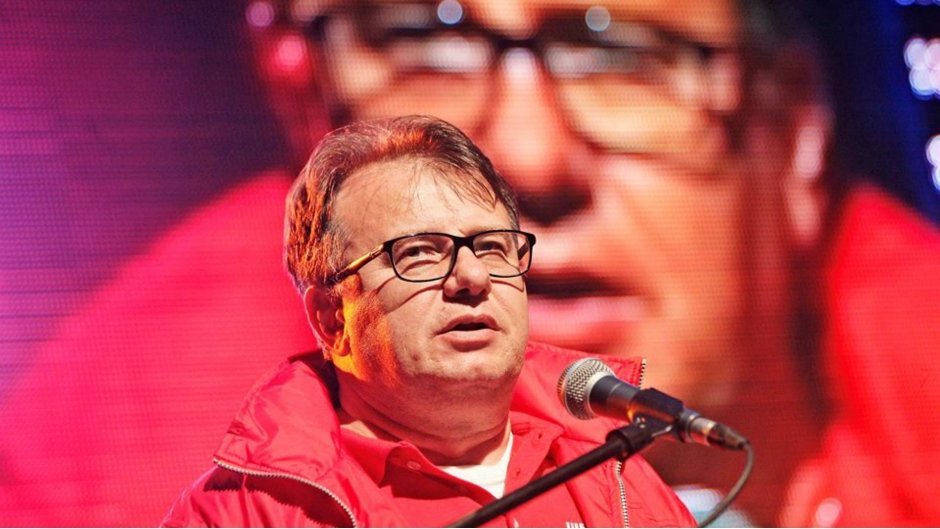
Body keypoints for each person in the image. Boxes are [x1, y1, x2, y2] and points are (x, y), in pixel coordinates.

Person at [2, 1, 938, 526]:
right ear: (298, 98)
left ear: (797, 128)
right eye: (425, 39)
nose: (525, 158)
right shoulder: (96, 467)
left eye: (622, 53)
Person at [161, 115, 696, 527]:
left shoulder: (619, 481)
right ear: (331, 319)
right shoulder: (243, 514)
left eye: (493, 247)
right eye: (418, 253)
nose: (472, 277)